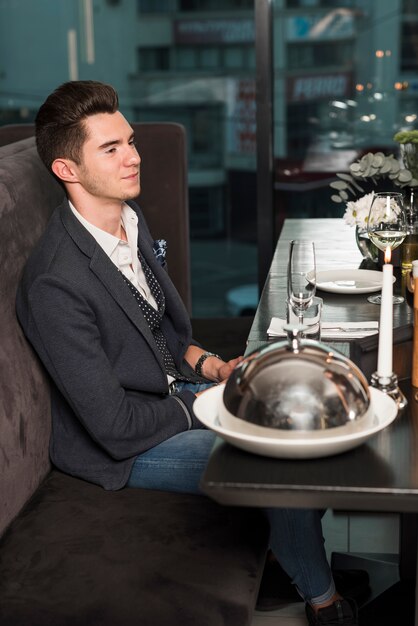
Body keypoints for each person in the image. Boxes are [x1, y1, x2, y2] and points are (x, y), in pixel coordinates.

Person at [16, 80, 363, 626]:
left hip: (174, 393)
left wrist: (212, 367)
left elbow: (162, 335)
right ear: (67, 170)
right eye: (111, 149)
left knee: (298, 402)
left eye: (130, 140)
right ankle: (326, 602)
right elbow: (113, 426)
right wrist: (207, 403)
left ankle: (290, 549)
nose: (133, 157)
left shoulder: (127, 219)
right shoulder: (55, 285)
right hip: (123, 448)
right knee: (274, 453)